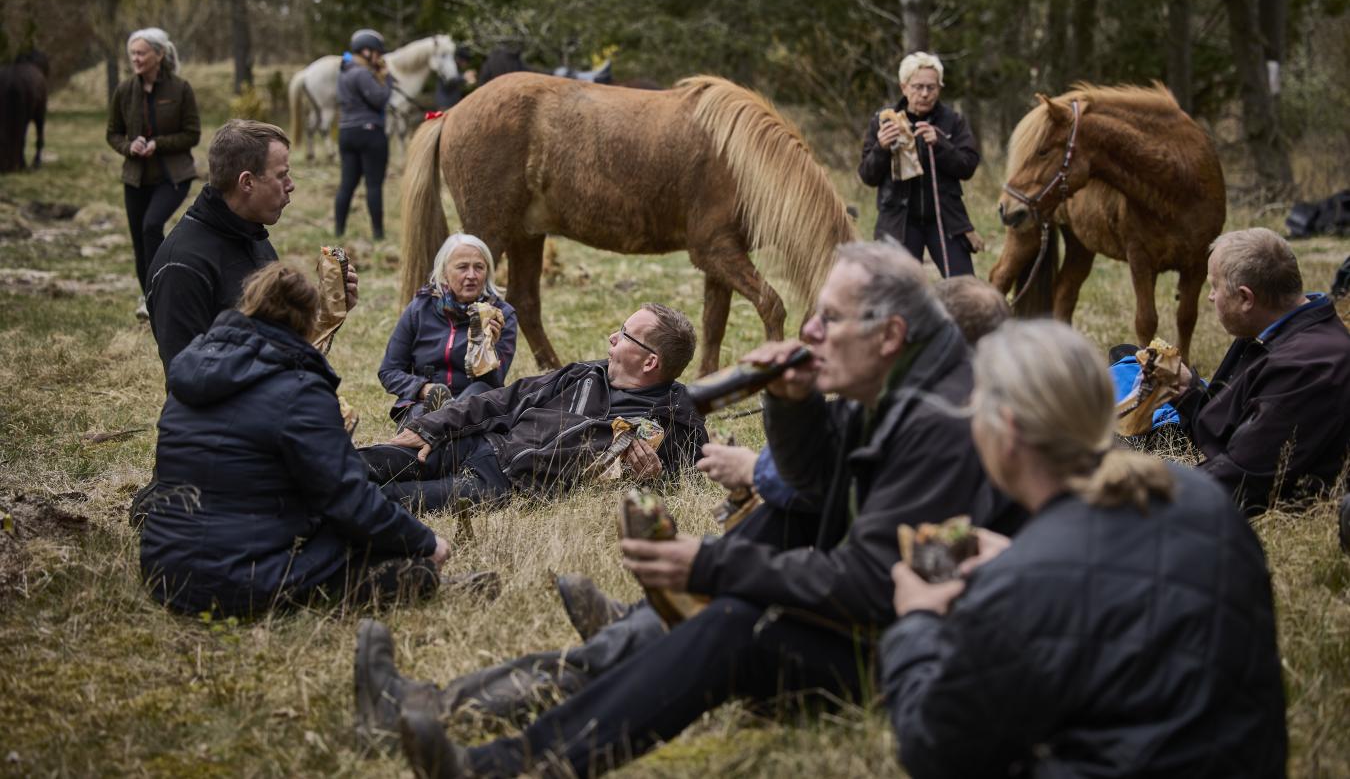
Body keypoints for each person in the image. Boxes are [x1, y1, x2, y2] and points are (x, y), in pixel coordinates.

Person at [357, 241, 1005, 777]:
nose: (809, 333)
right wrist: (793, 402)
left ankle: (507, 767)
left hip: (909, 656)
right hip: (869, 612)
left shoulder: (943, 422)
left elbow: (869, 585)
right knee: (747, 557)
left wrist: (706, 565)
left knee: (728, 621)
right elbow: (811, 488)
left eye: (828, 319)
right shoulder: (890, 378)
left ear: (891, 333)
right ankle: (444, 706)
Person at [884, 319, 1287, 778]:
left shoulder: (1016, 587)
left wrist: (917, 623)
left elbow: (935, 749)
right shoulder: (1203, 499)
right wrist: (1019, 562)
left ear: (1008, 430)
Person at [140, 263, 450, 617]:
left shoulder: (193, 370)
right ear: (306, 322)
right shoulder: (299, 388)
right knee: (401, 565)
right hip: (236, 582)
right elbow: (348, 499)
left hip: (162, 573)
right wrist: (424, 541)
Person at [363, 303, 708, 514]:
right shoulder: (585, 374)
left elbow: (688, 486)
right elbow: (505, 399)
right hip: (483, 444)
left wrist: (656, 480)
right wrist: (432, 426)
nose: (611, 338)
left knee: (388, 499)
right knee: (365, 463)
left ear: (650, 362)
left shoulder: (674, 422)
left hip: (505, 487)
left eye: (624, 335)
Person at [145, 119, 358, 373]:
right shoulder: (181, 266)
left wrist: (327, 312)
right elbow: (188, 377)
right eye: (282, 175)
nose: (291, 185)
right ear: (247, 182)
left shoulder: (253, 236)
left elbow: (284, 342)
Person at [1168, 228, 1350, 515]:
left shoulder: (1307, 367)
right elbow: (1232, 428)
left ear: (1245, 298)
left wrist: (1148, 488)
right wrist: (1187, 395)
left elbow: (1242, 477)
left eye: (1214, 287)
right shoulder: (1277, 329)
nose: (1211, 297)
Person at [106, 27, 200, 320]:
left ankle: (162, 291)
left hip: (173, 177)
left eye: (141, 53)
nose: (135, 58)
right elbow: (112, 133)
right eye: (132, 53)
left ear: (159, 55)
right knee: (139, 240)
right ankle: (148, 299)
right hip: (135, 178)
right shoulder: (124, 90)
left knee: (151, 226)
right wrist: (128, 146)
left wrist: (158, 145)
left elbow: (192, 134)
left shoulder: (180, 88)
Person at [858, 51, 980, 277]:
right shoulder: (883, 121)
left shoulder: (952, 121)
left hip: (945, 219)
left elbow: (968, 166)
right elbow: (867, 175)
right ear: (904, 87)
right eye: (918, 87)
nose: (925, 94)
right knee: (898, 292)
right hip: (899, 222)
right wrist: (881, 148)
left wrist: (941, 144)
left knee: (964, 287)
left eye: (931, 87)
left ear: (939, 88)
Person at [379, 233, 519, 425]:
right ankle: (438, 428)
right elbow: (389, 371)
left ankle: (436, 427)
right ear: (444, 272)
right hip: (424, 403)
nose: (472, 275)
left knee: (478, 394)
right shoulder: (420, 309)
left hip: (475, 403)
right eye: (462, 267)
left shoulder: (501, 314)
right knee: (422, 415)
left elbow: (495, 382)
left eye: (479, 267)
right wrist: (423, 389)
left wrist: (486, 350)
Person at [336, 28, 392, 240]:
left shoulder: (344, 70)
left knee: (347, 184)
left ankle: (339, 230)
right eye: (378, 53)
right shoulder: (362, 73)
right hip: (369, 133)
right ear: (367, 51)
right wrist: (386, 80)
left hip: (346, 132)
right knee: (374, 185)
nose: (380, 57)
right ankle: (378, 234)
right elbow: (379, 99)